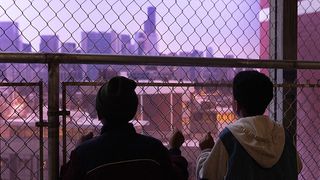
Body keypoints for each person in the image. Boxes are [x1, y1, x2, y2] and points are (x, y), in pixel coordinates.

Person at [60, 76, 188, 180]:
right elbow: (178, 175)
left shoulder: (85, 154)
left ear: (99, 114)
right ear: (133, 111)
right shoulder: (154, 149)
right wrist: (174, 149)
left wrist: (78, 150)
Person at [196, 70, 302, 180]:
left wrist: (206, 151)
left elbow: (207, 175)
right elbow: (297, 167)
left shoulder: (230, 138)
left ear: (236, 105)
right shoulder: (284, 136)